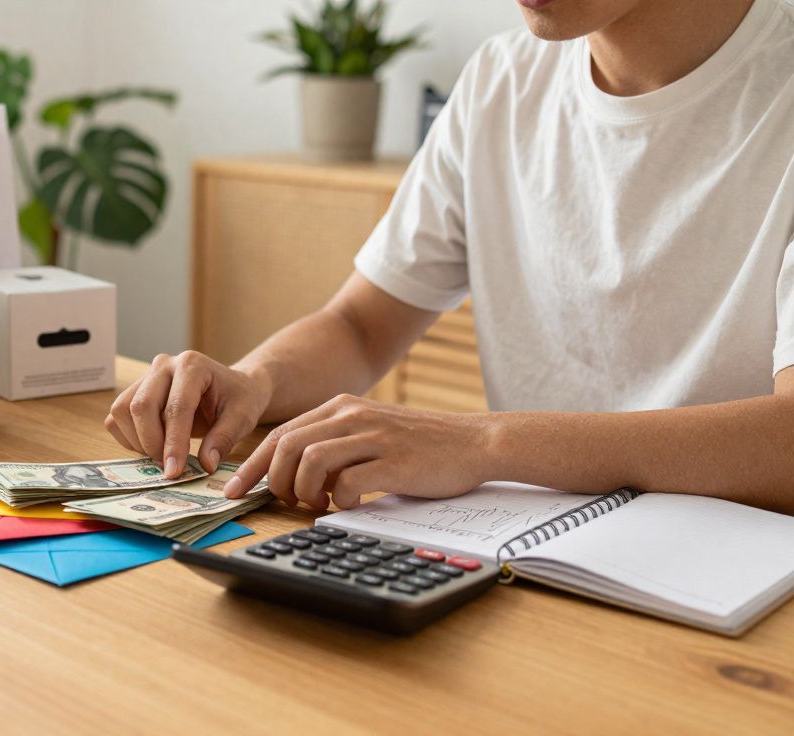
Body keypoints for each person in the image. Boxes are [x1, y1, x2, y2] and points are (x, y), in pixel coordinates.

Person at [105, 0, 794, 516]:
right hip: (535, 554)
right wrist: (255, 381)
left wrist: (484, 444)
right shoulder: (503, 78)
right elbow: (361, 325)